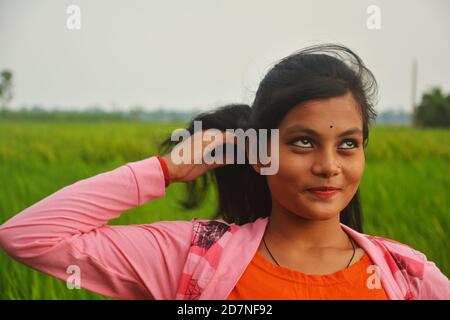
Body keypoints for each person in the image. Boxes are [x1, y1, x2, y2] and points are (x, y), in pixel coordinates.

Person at [0, 44, 449, 300]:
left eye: (348, 144)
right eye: (303, 142)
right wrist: (165, 170)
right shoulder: (195, 259)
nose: (329, 166)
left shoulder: (405, 275)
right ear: (259, 154)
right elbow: (29, 236)